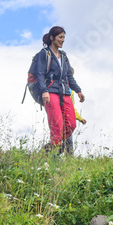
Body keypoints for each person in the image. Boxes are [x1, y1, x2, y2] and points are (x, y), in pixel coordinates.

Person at [35, 26, 85, 154]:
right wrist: (44, 90)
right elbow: (40, 74)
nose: (62, 40)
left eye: (63, 37)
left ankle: (51, 146)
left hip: (65, 91)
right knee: (56, 124)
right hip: (50, 92)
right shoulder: (44, 54)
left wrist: (78, 91)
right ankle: (54, 159)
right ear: (52, 38)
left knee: (71, 124)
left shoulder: (64, 56)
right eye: (60, 37)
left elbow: (69, 76)